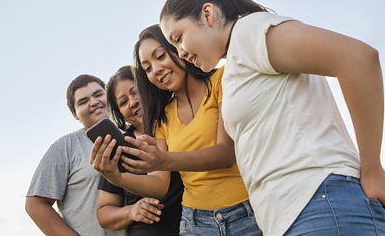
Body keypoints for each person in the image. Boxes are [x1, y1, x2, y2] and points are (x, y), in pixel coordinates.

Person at [156, 0, 385, 236]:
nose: (180, 53)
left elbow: (358, 58)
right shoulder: (236, 65)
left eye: (179, 38)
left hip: (322, 203)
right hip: (295, 216)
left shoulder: (249, 31)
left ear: (208, 14)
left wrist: (372, 169)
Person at [92, 24, 261, 236]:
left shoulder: (221, 80)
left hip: (247, 213)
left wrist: (163, 159)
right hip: (196, 223)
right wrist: (117, 178)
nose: (157, 69)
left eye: (160, 56)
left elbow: (226, 153)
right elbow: (159, 184)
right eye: (148, 68)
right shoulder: (162, 118)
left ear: (178, 47)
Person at [25, 74, 123, 236]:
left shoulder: (133, 135)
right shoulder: (64, 147)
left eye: (98, 94)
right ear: (75, 114)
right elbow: (35, 204)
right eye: (83, 101)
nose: (93, 102)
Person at [93, 65, 183, 236]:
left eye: (136, 92)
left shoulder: (176, 120)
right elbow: (104, 213)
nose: (133, 102)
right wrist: (132, 210)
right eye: (123, 102)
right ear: (119, 112)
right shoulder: (120, 146)